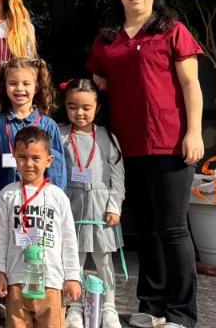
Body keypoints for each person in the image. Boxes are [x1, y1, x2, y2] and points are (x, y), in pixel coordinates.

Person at [88, 0, 204, 328]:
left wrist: (194, 132)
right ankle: (152, 306)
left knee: (173, 229)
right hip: (127, 148)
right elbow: (99, 84)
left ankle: (181, 313)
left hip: (170, 143)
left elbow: (191, 85)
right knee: (147, 229)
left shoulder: (173, 31)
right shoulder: (107, 40)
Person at [0, 126, 80, 328]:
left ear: (49, 160)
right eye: (22, 157)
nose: (28, 163)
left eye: (36, 158)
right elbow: (0, 237)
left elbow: (69, 240)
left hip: (51, 281)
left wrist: (73, 277)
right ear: (14, 157)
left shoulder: (58, 197)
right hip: (16, 279)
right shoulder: (7, 194)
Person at [60, 80, 126, 328]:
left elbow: (117, 176)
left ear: (97, 108)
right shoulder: (60, 134)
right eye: (72, 107)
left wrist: (114, 206)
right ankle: (74, 306)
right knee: (73, 258)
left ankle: (109, 307)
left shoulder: (107, 137)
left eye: (86, 108)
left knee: (103, 259)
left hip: (100, 207)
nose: (79, 113)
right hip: (71, 204)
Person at [0, 57, 66, 198]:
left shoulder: (48, 125)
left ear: (36, 86)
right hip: (4, 197)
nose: (19, 88)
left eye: (26, 83)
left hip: (39, 198)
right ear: (5, 86)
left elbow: (57, 168)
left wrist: (55, 197)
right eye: (13, 83)